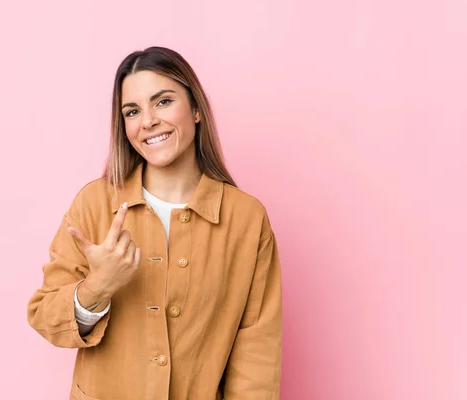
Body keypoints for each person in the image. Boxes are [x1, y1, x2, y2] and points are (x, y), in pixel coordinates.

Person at [27, 46, 283, 400]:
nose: (148, 121)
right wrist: (97, 287)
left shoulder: (246, 219)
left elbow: (257, 351)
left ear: (196, 110)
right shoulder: (95, 204)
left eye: (163, 101)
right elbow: (45, 318)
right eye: (132, 111)